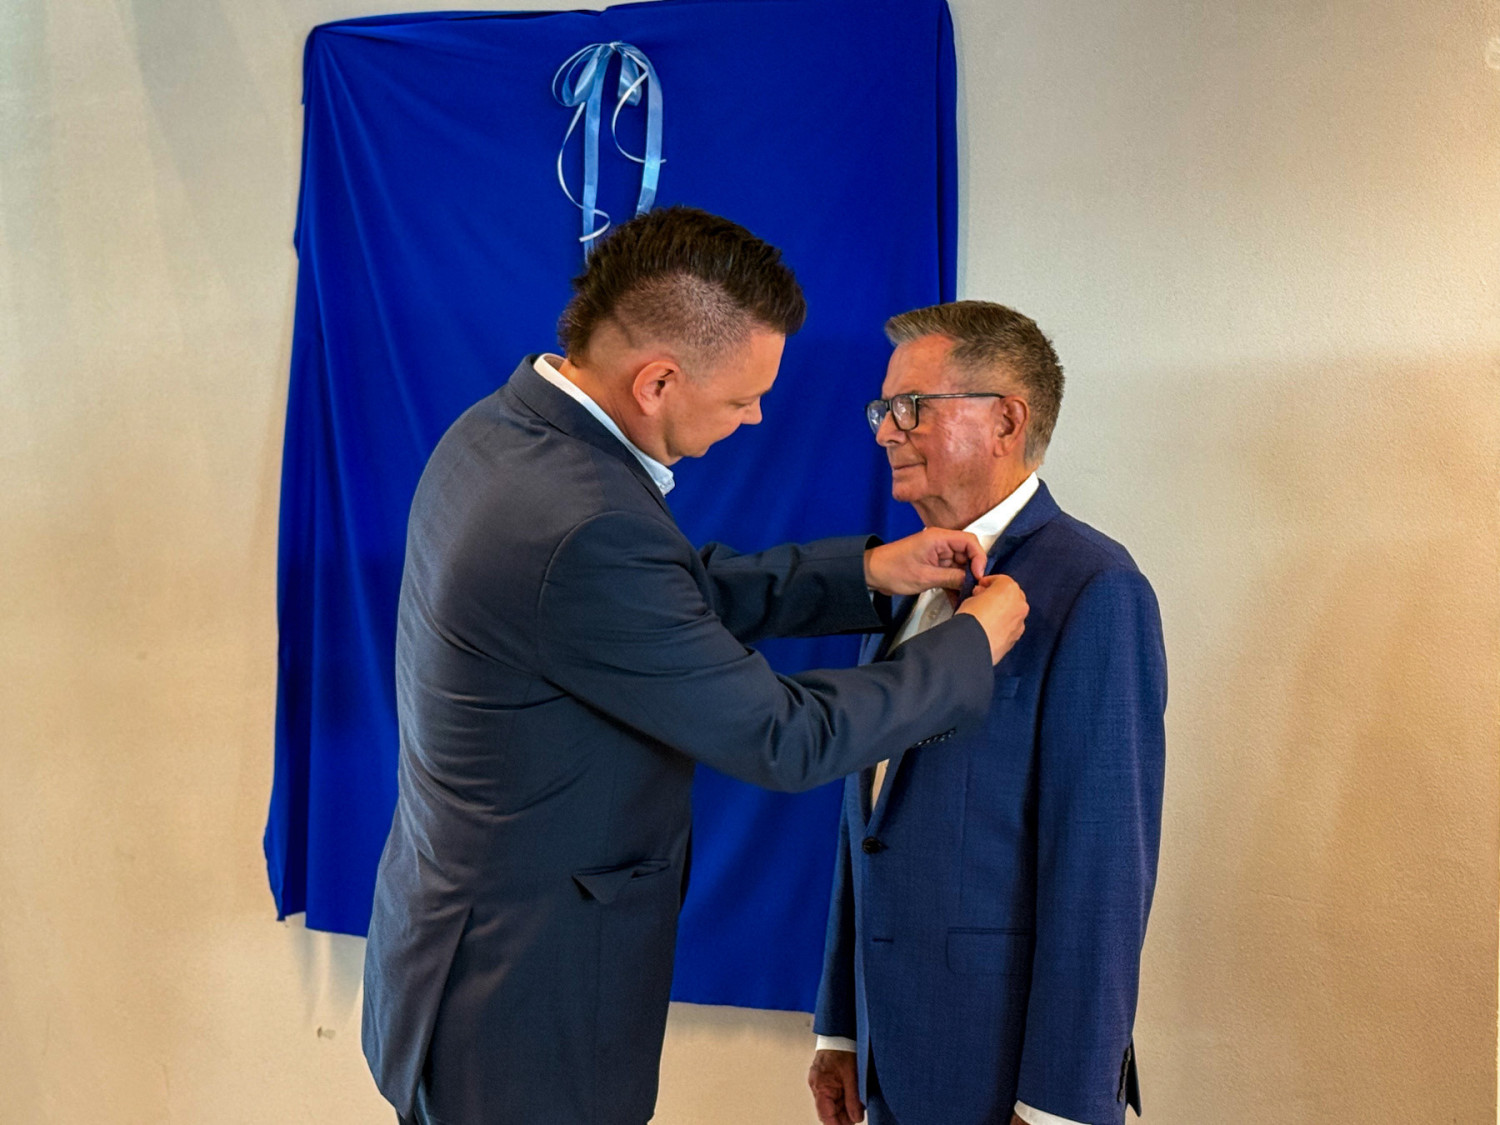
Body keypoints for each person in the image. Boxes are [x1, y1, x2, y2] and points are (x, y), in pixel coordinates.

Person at [360, 208, 1031, 1125]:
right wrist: (968, 644)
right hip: (524, 1002)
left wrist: (866, 572)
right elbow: (785, 736)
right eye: (742, 398)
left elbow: (656, 601)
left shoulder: (502, 430)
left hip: (454, 952)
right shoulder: (585, 520)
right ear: (658, 381)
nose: (755, 417)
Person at [809, 301, 1167, 1125]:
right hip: (889, 1063)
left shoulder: (1095, 588)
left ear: (1006, 419)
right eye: (883, 408)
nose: (886, 431)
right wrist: (841, 1028)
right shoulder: (902, 579)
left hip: (1004, 1080)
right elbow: (869, 826)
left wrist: (1060, 1105)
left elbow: (1102, 872)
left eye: (911, 407)